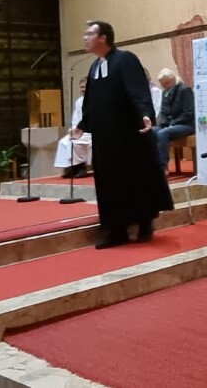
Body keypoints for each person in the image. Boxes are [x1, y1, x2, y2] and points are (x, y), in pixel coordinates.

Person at [72, 20, 173, 249]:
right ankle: (115, 230)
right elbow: (91, 101)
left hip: (128, 136)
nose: (85, 38)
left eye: (89, 34)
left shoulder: (125, 59)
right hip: (104, 138)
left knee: (135, 178)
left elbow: (139, 90)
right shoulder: (94, 67)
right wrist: (82, 124)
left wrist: (146, 114)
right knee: (109, 183)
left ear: (103, 38)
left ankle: (145, 224)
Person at [154, 68, 196, 176]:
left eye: (167, 83)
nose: (165, 86)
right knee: (151, 131)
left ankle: (163, 167)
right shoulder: (165, 92)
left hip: (186, 124)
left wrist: (172, 124)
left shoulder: (184, 90)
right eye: (163, 84)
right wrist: (163, 123)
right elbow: (163, 112)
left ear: (173, 79)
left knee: (163, 133)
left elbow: (188, 113)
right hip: (171, 124)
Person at [54, 77, 91, 178]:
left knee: (75, 143)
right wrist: (73, 129)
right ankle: (71, 168)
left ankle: (81, 168)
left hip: (90, 131)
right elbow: (76, 118)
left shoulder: (95, 100)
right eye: (81, 87)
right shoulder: (79, 101)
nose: (83, 89)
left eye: (85, 87)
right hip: (79, 130)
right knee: (63, 142)